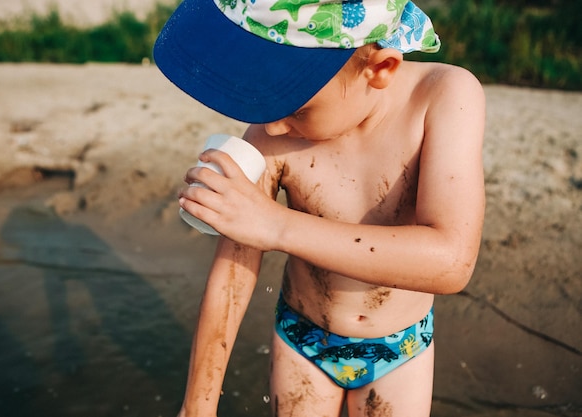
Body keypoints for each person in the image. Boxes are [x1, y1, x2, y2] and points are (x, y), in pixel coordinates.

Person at [153, 0, 485, 415]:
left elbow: (451, 261)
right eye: (268, 99)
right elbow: (232, 277)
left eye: (295, 106)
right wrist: (197, 406)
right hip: (303, 337)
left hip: (402, 345)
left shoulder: (443, 96)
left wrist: (276, 225)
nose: (271, 125)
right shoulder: (273, 126)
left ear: (380, 69)